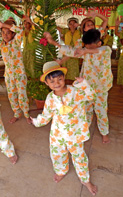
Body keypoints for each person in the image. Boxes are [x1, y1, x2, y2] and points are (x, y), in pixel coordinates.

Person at [30, 61, 97, 196]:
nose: (57, 83)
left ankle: (85, 180)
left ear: (64, 78)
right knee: (57, 154)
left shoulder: (75, 91)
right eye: (52, 81)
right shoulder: (50, 98)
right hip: (58, 134)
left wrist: (84, 84)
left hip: (75, 133)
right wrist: (36, 121)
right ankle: (61, 171)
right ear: (47, 84)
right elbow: (46, 115)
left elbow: (91, 97)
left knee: (79, 157)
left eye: (59, 79)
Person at [45, 29, 113, 144]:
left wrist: (85, 50)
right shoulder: (85, 52)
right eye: (86, 47)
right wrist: (53, 43)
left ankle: (104, 133)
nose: (88, 50)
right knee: (86, 112)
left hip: (101, 89)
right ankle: (84, 131)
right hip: (85, 88)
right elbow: (71, 50)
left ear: (99, 43)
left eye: (90, 47)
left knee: (101, 111)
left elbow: (98, 50)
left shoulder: (106, 50)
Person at [0, 18, 31, 124]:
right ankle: (17, 114)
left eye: (8, 33)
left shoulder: (16, 42)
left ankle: (26, 114)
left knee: (22, 95)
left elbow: (21, 30)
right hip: (8, 75)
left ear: (13, 34)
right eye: (3, 32)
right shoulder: (1, 44)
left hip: (20, 74)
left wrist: (4, 24)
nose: (5, 35)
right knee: (11, 96)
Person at [57, 17, 81, 84]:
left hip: (76, 53)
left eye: (74, 23)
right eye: (70, 24)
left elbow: (85, 27)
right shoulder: (66, 31)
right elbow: (57, 27)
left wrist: (79, 25)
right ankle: (66, 83)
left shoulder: (80, 31)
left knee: (74, 69)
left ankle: (74, 83)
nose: (72, 25)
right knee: (66, 69)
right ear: (68, 25)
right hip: (66, 52)